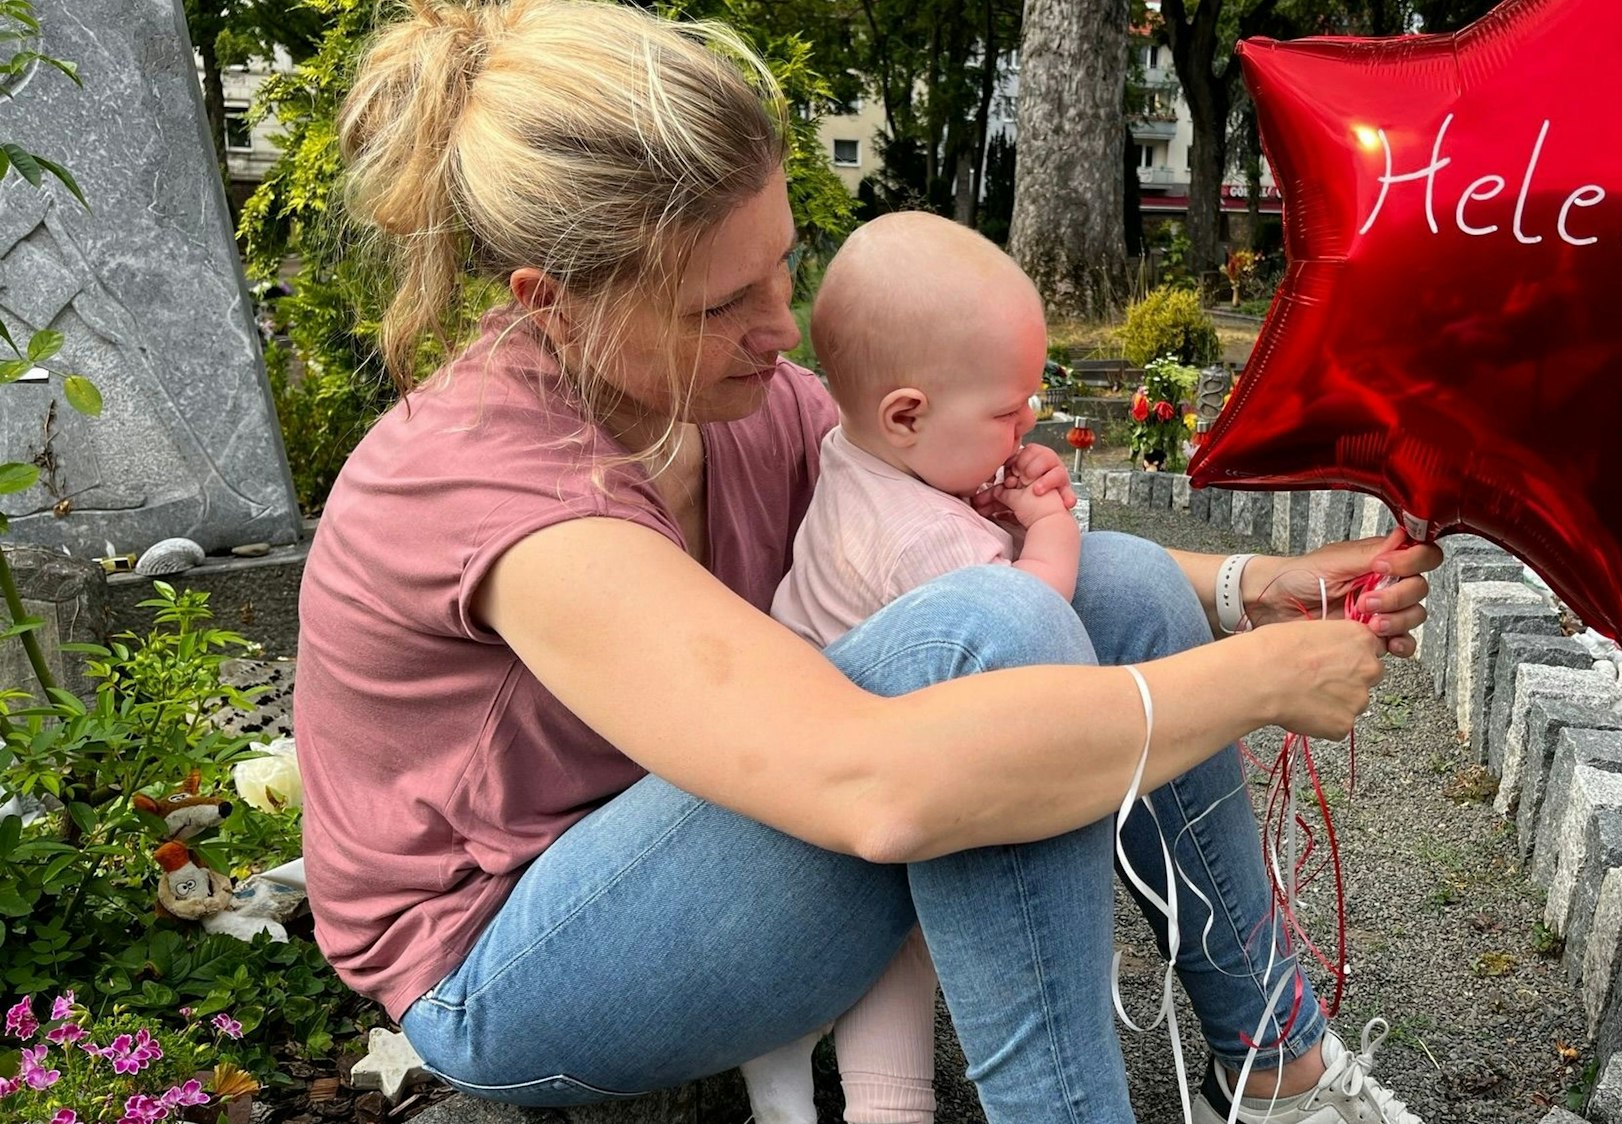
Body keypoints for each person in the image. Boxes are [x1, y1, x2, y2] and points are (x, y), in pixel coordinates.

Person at [293, 3, 1443, 1123]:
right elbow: (881, 785)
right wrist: (1258, 681)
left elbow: (984, 545)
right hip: (509, 963)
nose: (784, 328)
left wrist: (1249, 590)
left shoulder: (716, 391)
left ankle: (1281, 1067)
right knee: (996, 641)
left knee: (1123, 590)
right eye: (724, 302)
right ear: (550, 306)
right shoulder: (499, 488)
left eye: (784, 265)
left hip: (698, 832)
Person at [749, 212, 1084, 1123]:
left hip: (801, 754)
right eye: (1007, 411)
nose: (1028, 423)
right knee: (910, 938)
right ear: (906, 415)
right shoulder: (925, 535)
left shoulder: (855, 454)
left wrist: (986, 491)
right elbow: (1024, 622)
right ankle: (887, 1107)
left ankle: (782, 1062)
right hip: (860, 790)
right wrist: (1048, 530)